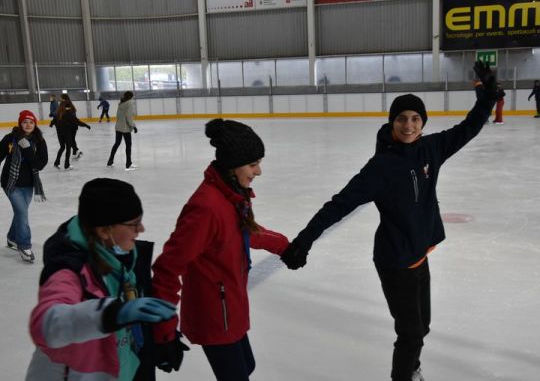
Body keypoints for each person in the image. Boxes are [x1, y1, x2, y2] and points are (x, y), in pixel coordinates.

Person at [281, 62, 497, 381]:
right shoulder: (381, 167)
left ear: (422, 122)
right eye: (401, 119)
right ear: (392, 122)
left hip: (418, 254)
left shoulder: (431, 148)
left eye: (414, 118)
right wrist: (304, 239)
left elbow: (470, 127)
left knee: (421, 326)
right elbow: (339, 204)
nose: (408, 125)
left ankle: (411, 368)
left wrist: (487, 95)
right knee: (410, 334)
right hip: (395, 261)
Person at [151, 119, 290, 380]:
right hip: (214, 314)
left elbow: (243, 233)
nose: (259, 171)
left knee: (246, 367)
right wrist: (163, 330)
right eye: (253, 164)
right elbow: (167, 268)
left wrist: (284, 246)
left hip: (231, 305)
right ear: (232, 165)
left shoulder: (232, 196)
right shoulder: (206, 209)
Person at [25, 178, 177, 380]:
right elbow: (46, 324)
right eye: (133, 224)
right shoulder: (69, 270)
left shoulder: (125, 259)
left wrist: (160, 341)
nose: (141, 229)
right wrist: (110, 314)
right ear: (104, 230)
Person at [0, 110, 48, 263]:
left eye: (31, 122)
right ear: (20, 124)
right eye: (25, 122)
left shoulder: (39, 141)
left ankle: (12, 238)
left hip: (28, 184)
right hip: (10, 182)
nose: (28, 125)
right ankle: (24, 245)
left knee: (21, 213)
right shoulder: (10, 139)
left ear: (35, 124)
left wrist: (27, 148)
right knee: (22, 213)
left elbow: (40, 165)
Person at [50, 94, 91, 169]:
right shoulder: (68, 113)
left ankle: (56, 162)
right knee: (68, 148)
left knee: (62, 147)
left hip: (60, 133)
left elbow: (54, 120)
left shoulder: (58, 113)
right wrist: (86, 125)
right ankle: (67, 165)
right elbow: (77, 121)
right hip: (67, 132)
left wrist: (51, 124)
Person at [107, 91, 138, 170]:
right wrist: (133, 126)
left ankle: (110, 161)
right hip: (125, 128)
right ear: (131, 96)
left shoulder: (121, 103)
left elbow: (118, 115)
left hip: (118, 127)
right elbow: (129, 117)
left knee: (117, 144)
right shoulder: (129, 104)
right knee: (128, 145)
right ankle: (128, 164)